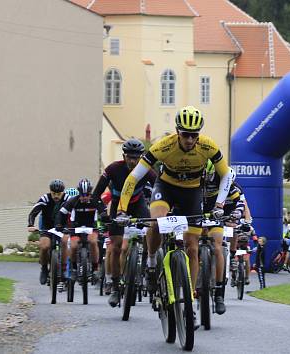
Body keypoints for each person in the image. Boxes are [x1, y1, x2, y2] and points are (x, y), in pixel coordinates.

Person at [117, 106, 232, 329]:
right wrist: (122, 210)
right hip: (166, 187)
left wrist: (219, 204)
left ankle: (188, 298)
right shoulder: (164, 146)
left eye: (194, 135)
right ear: (177, 132)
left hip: (192, 192)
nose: (190, 140)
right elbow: (133, 177)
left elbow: (226, 174)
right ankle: (151, 260)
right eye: (185, 134)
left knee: (192, 246)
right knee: (157, 222)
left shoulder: (208, 146)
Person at [91, 138, 157, 307]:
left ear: (141, 157)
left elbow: (159, 188)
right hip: (117, 206)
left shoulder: (147, 170)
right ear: (124, 156)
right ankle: (114, 286)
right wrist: (102, 212)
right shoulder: (113, 169)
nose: (133, 161)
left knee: (152, 229)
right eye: (129, 157)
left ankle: (149, 265)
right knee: (116, 246)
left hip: (138, 204)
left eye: (136, 158)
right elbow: (95, 195)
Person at [202, 160, 246, 314]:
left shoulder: (224, 181)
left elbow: (239, 202)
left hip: (216, 216)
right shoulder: (192, 178)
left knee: (217, 246)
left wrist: (237, 213)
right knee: (190, 245)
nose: (206, 178)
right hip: (198, 214)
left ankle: (219, 293)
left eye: (210, 175)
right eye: (204, 174)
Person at [56, 178, 108, 284]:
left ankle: (95, 269)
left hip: (91, 227)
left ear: (90, 193)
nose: (84, 197)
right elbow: (61, 213)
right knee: (74, 245)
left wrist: (105, 222)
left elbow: (104, 212)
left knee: (93, 242)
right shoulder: (73, 201)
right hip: (76, 227)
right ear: (79, 193)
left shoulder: (95, 200)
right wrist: (59, 224)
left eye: (87, 194)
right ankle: (74, 268)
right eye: (82, 195)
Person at [27, 179, 69, 285]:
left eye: (58, 194)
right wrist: (31, 224)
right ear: (50, 191)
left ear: (63, 192)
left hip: (62, 226)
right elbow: (33, 212)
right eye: (53, 193)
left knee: (65, 243)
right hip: (47, 226)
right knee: (44, 246)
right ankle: (44, 268)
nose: (56, 196)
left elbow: (75, 212)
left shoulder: (68, 199)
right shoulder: (45, 198)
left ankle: (64, 269)